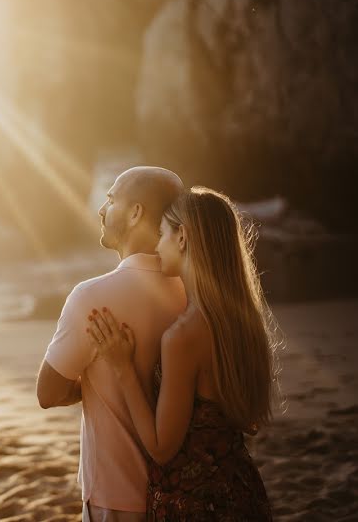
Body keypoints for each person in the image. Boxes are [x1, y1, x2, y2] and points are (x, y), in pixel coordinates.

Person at [85, 186, 281, 520]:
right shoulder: (240, 320)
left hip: (195, 503)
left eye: (162, 234)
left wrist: (123, 368)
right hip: (242, 489)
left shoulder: (183, 335)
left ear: (182, 237)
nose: (156, 246)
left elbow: (162, 449)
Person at [37, 166, 187, 521]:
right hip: (183, 490)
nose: (102, 210)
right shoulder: (191, 292)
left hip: (116, 492)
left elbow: (48, 393)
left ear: (136, 213)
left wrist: (90, 383)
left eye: (110, 198)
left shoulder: (91, 297)